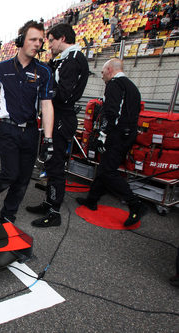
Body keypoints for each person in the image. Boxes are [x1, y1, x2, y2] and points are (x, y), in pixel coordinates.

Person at [0, 20, 54, 224]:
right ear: (20, 41)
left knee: (24, 179)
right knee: (9, 174)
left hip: (31, 132)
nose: (37, 44)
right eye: (33, 39)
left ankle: (8, 216)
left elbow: (47, 105)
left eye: (41, 40)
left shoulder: (44, 71)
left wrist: (48, 139)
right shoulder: (2, 68)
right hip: (8, 129)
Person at [26, 23, 89, 228]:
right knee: (51, 162)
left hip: (62, 116)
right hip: (58, 115)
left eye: (51, 40)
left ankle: (54, 212)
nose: (49, 44)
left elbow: (63, 94)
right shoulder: (64, 59)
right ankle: (48, 203)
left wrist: (44, 91)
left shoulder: (72, 60)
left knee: (55, 164)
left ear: (62, 38)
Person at [76, 59, 146, 227]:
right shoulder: (133, 88)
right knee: (105, 168)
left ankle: (134, 203)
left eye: (102, 72)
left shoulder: (114, 85)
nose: (101, 76)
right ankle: (92, 199)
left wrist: (102, 134)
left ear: (109, 70)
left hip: (117, 135)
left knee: (108, 171)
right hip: (127, 135)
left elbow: (111, 113)